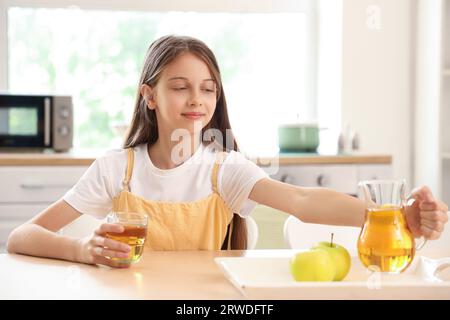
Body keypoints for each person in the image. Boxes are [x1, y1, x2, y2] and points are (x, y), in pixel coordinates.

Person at [7, 35, 449, 268]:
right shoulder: (115, 169)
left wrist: (391, 215)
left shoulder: (225, 169)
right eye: (179, 88)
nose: (196, 100)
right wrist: (83, 249)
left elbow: (304, 202)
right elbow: (21, 237)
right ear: (150, 96)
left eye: (207, 89)